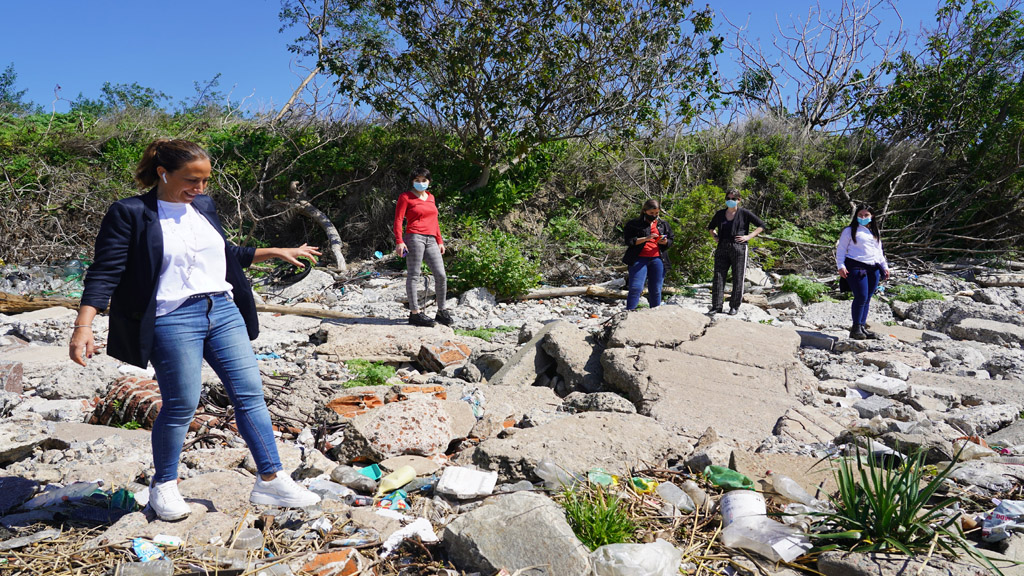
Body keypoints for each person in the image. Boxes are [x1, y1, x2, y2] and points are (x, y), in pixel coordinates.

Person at [69, 139, 322, 522]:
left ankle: (270, 479)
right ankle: (164, 486)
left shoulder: (202, 207)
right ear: (162, 172)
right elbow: (105, 271)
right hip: (172, 318)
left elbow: (225, 253)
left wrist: (275, 251)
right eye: (192, 180)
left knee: (250, 395)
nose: (200, 188)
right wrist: (83, 325)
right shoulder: (130, 213)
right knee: (182, 404)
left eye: (205, 181)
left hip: (222, 310)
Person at [394, 167, 452, 327]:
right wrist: (399, 241)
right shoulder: (405, 197)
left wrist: (440, 241)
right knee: (414, 275)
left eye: (423, 180)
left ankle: (441, 311)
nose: (421, 183)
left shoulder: (431, 198)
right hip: (414, 237)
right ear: (412, 182)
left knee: (441, 275)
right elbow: (399, 220)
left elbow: (435, 221)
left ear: (429, 182)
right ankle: (415, 313)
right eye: (417, 180)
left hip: (432, 239)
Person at [707, 189, 764, 315]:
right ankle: (716, 306)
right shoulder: (720, 214)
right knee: (718, 276)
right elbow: (711, 227)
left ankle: (734, 306)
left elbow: (761, 225)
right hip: (722, 246)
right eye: (728, 198)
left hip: (739, 247)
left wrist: (748, 236)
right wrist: (715, 236)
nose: (730, 201)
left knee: (738, 276)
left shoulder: (744, 213)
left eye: (733, 199)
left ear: (739, 200)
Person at [836, 205, 889, 340]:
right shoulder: (849, 231)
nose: (863, 218)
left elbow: (879, 251)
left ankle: (862, 327)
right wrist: (840, 265)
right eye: (860, 215)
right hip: (855, 265)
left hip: (873, 267)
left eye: (866, 215)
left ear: (872, 216)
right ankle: (855, 328)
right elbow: (841, 249)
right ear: (856, 216)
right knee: (860, 296)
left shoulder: (874, 231)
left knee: (868, 297)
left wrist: (885, 266)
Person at [622, 199, 674, 310]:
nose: (654, 216)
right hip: (639, 259)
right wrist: (646, 238)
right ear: (645, 211)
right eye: (651, 213)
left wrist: (665, 242)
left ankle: (655, 314)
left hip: (658, 259)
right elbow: (629, 241)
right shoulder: (634, 224)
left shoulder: (663, 225)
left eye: (657, 213)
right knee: (636, 288)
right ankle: (630, 312)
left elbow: (671, 240)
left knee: (656, 289)